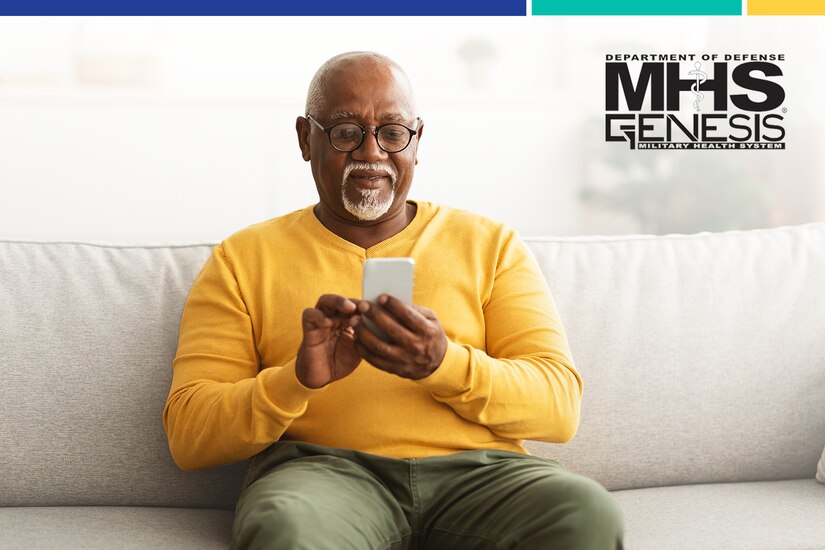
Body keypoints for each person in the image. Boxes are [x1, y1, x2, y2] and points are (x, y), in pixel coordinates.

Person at [163, 51, 624, 550]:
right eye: (345, 131)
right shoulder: (242, 258)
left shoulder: (490, 244)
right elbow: (190, 436)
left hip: (481, 476)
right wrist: (294, 381)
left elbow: (558, 408)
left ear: (417, 141)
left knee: (586, 513)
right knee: (288, 530)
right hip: (323, 476)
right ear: (305, 138)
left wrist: (443, 363)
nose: (372, 152)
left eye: (393, 131)